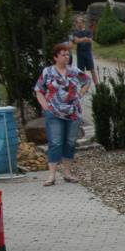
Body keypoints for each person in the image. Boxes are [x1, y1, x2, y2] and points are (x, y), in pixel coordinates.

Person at [34, 43, 91, 186]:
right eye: (63, 54)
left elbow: (87, 80)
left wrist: (81, 93)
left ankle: (67, 173)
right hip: (54, 112)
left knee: (70, 142)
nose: (67, 57)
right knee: (55, 142)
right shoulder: (48, 72)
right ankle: (52, 175)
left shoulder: (74, 71)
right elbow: (38, 89)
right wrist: (44, 106)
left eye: (68, 54)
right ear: (55, 57)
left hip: (73, 113)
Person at [70, 15, 98, 85]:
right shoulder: (75, 32)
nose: (78, 24)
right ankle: (83, 86)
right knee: (81, 71)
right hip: (80, 53)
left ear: (83, 23)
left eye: (80, 22)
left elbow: (90, 41)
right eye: (77, 22)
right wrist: (85, 38)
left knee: (92, 70)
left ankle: (97, 86)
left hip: (88, 53)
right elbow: (76, 41)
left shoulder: (88, 31)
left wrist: (81, 39)